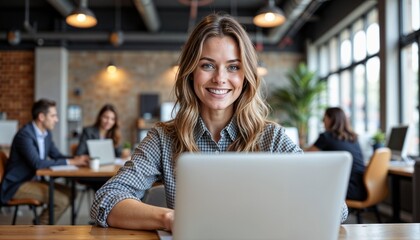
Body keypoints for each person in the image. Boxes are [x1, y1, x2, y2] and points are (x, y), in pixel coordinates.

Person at [90, 12, 347, 231]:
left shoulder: (272, 138)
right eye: (208, 65)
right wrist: (170, 218)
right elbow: (106, 199)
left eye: (233, 67)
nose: (220, 79)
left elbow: (337, 208)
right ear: (191, 72)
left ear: (246, 75)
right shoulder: (163, 139)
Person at [0, 98, 89, 224]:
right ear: (41, 116)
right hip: (17, 184)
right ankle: (39, 231)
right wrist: (71, 163)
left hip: (33, 180)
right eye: (53, 116)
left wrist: (76, 159)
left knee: (71, 192)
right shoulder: (25, 135)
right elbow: (38, 164)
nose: (56, 120)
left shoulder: (46, 134)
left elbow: (56, 155)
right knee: (61, 201)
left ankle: (39, 224)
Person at [306, 107, 367, 200]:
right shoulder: (353, 137)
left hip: (345, 189)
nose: (323, 121)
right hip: (362, 188)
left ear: (331, 119)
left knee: (310, 183)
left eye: (324, 118)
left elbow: (304, 155)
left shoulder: (326, 136)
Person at [75, 103, 122, 191]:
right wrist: (88, 158)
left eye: (112, 119)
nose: (108, 121)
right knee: (108, 186)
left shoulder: (115, 134)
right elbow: (79, 153)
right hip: (92, 172)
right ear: (100, 117)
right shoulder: (88, 131)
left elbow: (119, 155)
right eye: (106, 117)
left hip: (109, 172)